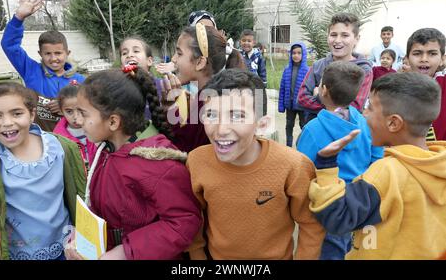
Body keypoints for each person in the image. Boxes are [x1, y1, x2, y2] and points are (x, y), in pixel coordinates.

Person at [187, 69, 325, 260]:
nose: (221, 129)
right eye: (211, 114)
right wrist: (197, 255)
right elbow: (192, 217)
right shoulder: (196, 162)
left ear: (261, 124)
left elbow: (311, 224)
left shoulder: (293, 166)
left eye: (236, 116)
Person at [65, 67, 201, 260]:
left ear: (113, 122)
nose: (76, 120)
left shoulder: (158, 163)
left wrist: (126, 252)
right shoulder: (106, 149)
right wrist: (82, 240)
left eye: (83, 113)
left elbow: (184, 221)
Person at [308, 72, 446, 259]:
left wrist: (326, 163)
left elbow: (337, 218)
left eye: (369, 108)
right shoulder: (438, 165)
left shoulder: (387, 172)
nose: (364, 114)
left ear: (393, 123)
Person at [297, 61, 383, 260]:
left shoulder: (312, 130)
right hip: (360, 200)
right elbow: (377, 158)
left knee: (331, 250)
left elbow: (302, 172)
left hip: (328, 204)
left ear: (323, 90)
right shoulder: (364, 123)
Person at [0, 82, 86, 260]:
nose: (7, 123)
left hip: (66, 248)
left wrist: (81, 231)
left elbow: (80, 195)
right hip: (17, 254)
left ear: (32, 115)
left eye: (17, 113)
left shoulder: (62, 148)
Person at [0, 0, 85, 131]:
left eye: (58, 53)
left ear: (67, 53)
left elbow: (91, 107)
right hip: (39, 138)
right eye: (47, 54)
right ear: (40, 54)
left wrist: (66, 105)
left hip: (72, 140)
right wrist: (18, 17)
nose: (53, 58)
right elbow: (9, 45)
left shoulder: (80, 80)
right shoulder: (31, 70)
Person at [161, 23, 241, 153]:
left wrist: (168, 108)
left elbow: (184, 148)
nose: (173, 59)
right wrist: (169, 105)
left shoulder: (208, 104)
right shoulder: (204, 97)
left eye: (179, 53)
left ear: (200, 62)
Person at [297, 12, 373, 123]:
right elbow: (302, 99)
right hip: (315, 128)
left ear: (356, 38)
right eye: (333, 35)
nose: (337, 40)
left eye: (345, 35)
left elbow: (354, 108)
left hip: (345, 133)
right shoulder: (318, 66)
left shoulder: (364, 71)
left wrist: (319, 96)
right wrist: (338, 109)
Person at [404, 28, 446, 141]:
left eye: (432, 53)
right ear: (407, 59)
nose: (424, 59)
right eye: (417, 53)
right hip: (404, 155)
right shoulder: (396, 90)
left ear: (442, 59)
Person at [53, 82, 97, 171]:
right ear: (61, 111)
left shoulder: (98, 129)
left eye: (80, 110)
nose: (76, 116)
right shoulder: (58, 137)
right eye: (69, 111)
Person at [278, 42, 310, 147]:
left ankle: (303, 146)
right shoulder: (287, 70)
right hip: (290, 104)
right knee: (289, 125)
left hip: (302, 105)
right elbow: (282, 88)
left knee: (303, 126)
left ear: (303, 54)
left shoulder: (308, 70)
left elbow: (309, 90)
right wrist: (281, 105)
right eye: (293, 53)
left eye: (299, 53)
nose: (296, 55)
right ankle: (288, 146)